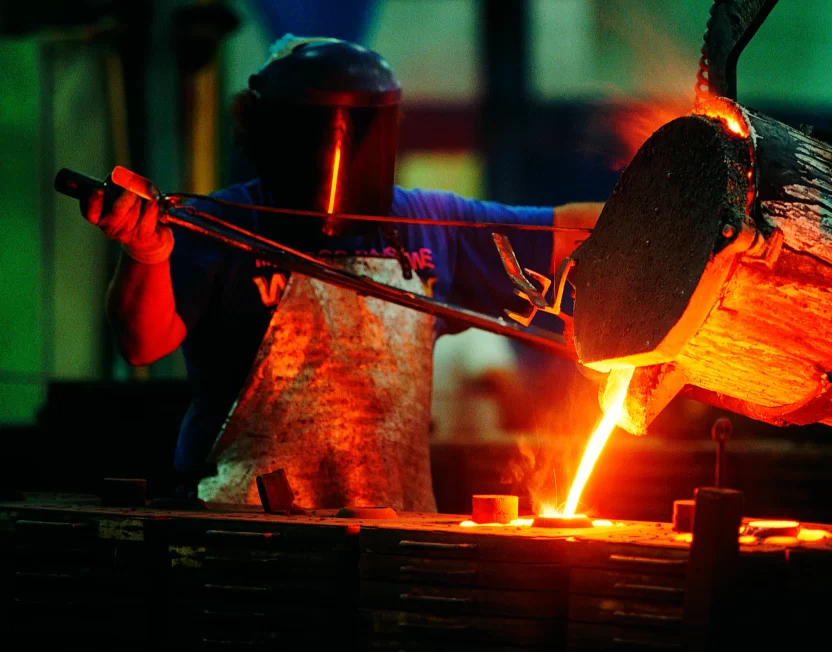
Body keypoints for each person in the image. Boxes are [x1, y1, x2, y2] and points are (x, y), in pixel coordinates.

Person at [79, 35, 603, 504]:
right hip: (238, 529)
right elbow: (142, 343)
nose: (337, 157)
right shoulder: (219, 224)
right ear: (268, 133)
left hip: (389, 530)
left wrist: (672, 206)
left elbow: (567, 233)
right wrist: (146, 251)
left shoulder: (429, 223)